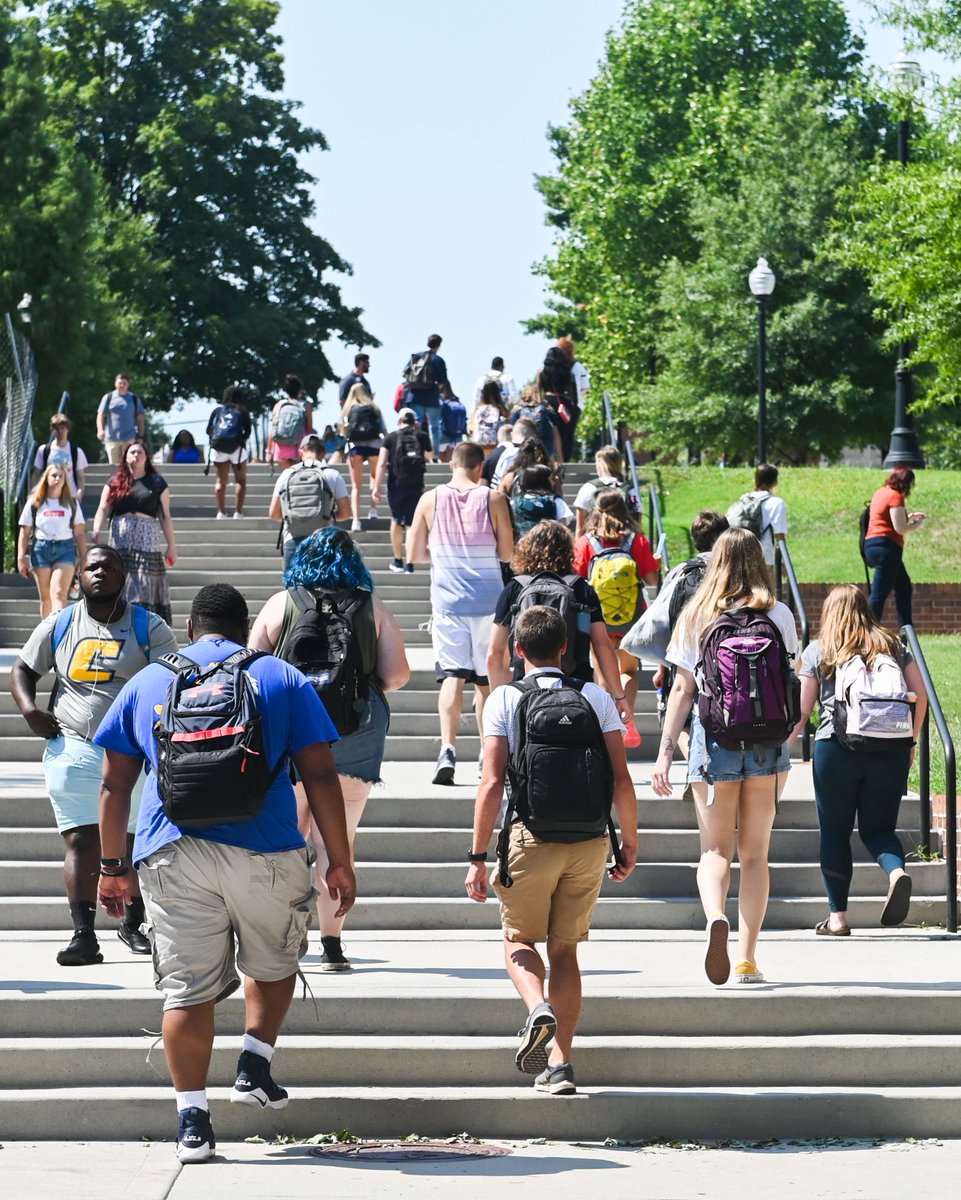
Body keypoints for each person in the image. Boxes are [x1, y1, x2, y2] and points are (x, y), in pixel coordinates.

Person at [95, 583, 355, 1164]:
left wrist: (113, 869)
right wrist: (339, 858)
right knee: (276, 960)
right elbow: (320, 774)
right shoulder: (281, 677)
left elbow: (115, 784)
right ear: (245, 630)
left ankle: (193, 1121)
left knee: (187, 990)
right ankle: (254, 1063)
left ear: (191, 628)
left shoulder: (149, 681)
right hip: (266, 850)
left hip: (173, 851)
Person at [466, 605, 637, 1096]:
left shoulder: (504, 699)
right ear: (565, 647)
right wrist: (629, 843)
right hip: (588, 841)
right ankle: (560, 1063)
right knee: (565, 950)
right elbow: (621, 779)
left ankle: (536, 1007)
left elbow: (492, 782)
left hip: (530, 837)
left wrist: (478, 857)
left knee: (518, 940)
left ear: (519, 650)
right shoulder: (595, 697)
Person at [249, 528, 410, 971]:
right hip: (355, 733)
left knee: (289, 839)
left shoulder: (282, 602)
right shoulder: (370, 605)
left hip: (292, 734)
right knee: (337, 841)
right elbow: (397, 675)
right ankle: (332, 943)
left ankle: (283, 936)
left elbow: (250, 669)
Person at [10, 545, 178, 966]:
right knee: (82, 839)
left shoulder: (150, 627)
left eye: (110, 567)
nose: (100, 573)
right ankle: (83, 934)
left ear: (124, 577)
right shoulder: (61, 622)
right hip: (73, 744)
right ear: (79, 575)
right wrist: (31, 711)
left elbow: (172, 682)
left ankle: (134, 924)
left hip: (132, 753)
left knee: (135, 840)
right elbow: (23, 671)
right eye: (92, 567)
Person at [651, 528, 800, 986]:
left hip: (713, 743)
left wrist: (663, 756)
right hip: (767, 747)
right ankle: (746, 957)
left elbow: (681, 689)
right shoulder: (778, 613)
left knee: (716, 850)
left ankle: (716, 915)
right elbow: (790, 678)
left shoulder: (697, 613)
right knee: (755, 855)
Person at [789, 584, 927, 935]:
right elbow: (920, 694)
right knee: (879, 829)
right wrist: (910, 740)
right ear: (866, 609)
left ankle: (838, 918)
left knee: (835, 832)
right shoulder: (894, 645)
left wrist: (784, 743)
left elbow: (802, 711)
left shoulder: (820, 650)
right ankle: (897, 873)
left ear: (830, 613)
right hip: (890, 749)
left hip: (835, 749)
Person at [407, 441, 515, 785]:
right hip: (490, 602)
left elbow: (414, 553)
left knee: (452, 675)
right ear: (480, 467)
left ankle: (447, 750)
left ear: (450, 464)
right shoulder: (494, 499)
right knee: (486, 682)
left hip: (448, 603)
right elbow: (508, 553)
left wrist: (443, 553)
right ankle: (489, 752)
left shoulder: (429, 500)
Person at [487, 520, 628, 714]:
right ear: (567, 551)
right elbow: (602, 645)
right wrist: (619, 696)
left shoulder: (515, 588)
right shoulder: (581, 589)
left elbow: (494, 654)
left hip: (525, 693)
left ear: (527, 550)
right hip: (577, 691)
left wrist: (498, 702)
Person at [622, 510, 729, 763]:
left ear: (695, 540)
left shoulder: (681, 571)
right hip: (725, 658)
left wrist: (662, 666)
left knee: (678, 716)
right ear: (725, 536)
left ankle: (698, 766)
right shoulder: (731, 570)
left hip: (685, 657)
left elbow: (664, 620)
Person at [574, 491, 660, 748]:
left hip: (596, 616)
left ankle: (604, 723)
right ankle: (627, 718)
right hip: (632, 617)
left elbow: (577, 580)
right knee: (629, 670)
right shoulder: (637, 540)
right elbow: (652, 580)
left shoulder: (585, 542)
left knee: (601, 668)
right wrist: (655, 563)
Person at [91, 439, 177, 624]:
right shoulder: (115, 481)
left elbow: (165, 516)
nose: (136, 456)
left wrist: (171, 546)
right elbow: (103, 508)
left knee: (144, 586)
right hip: (121, 542)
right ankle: (120, 624)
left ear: (146, 458)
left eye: (140, 453)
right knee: (122, 584)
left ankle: (146, 627)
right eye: (132, 452)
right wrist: (97, 528)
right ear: (125, 457)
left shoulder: (157, 482)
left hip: (147, 542)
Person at [269, 434, 350, 570]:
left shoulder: (287, 474)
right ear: (323, 453)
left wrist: (295, 517)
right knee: (324, 588)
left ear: (301, 452)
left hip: (292, 539)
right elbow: (346, 513)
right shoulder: (332, 475)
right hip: (324, 540)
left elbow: (274, 513)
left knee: (293, 589)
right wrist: (324, 515)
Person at [18, 464, 88, 618]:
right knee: (46, 598)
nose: (57, 479)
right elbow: (25, 531)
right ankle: (47, 635)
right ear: (46, 479)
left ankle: (60, 633)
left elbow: (80, 533)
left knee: (58, 593)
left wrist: (85, 558)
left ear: (65, 480)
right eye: (54, 475)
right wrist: (21, 557)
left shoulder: (71, 503)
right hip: (41, 549)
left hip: (65, 548)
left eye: (60, 476)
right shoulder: (35, 502)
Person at [371, 407, 433, 573]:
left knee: (397, 519)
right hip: (416, 483)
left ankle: (398, 561)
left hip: (396, 484)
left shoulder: (391, 437)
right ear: (415, 421)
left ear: (400, 420)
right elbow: (430, 455)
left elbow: (382, 463)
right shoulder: (421, 435)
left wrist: (376, 487)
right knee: (412, 522)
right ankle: (410, 563)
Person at [864, 466, 925, 629]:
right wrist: (916, 525)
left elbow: (885, 519)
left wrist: (909, 517)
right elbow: (900, 528)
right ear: (906, 483)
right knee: (879, 593)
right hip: (887, 548)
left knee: (904, 586)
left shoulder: (881, 492)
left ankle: (906, 629)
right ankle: (867, 631)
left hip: (871, 545)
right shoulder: (895, 496)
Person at [727, 464, 788, 591]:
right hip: (764, 557)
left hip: (740, 554)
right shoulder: (776, 503)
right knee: (767, 597)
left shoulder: (744, 499)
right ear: (775, 482)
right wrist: (784, 564)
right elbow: (779, 537)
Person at [340, 383, 388, 530]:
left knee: (356, 486)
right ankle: (373, 510)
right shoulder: (374, 408)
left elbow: (343, 431)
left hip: (355, 447)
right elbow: (383, 429)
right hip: (374, 445)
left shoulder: (348, 409)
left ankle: (356, 520)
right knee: (374, 477)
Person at [206, 384, 253, 519]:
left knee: (220, 481)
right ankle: (238, 512)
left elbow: (209, 430)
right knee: (240, 481)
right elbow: (248, 431)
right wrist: (240, 440)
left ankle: (221, 512)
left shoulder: (217, 411)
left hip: (218, 448)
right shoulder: (242, 411)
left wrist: (214, 442)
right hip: (237, 449)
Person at [572, 446, 639, 538]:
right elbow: (637, 522)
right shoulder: (630, 490)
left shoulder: (589, 488)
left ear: (601, 464)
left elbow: (579, 528)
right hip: (624, 543)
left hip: (595, 543)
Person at [402, 334, 449, 452]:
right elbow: (442, 382)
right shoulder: (438, 360)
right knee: (434, 427)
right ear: (439, 345)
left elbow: (405, 374)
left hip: (414, 396)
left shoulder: (417, 357)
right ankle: (434, 454)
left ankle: (417, 450)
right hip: (431, 397)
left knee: (416, 425)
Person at [34, 413, 88, 500]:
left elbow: (80, 477)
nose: (60, 431)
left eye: (62, 428)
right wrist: (35, 494)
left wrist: (79, 494)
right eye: (57, 429)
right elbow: (36, 475)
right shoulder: (44, 450)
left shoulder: (76, 452)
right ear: (52, 431)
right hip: (48, 497)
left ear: (68, 429)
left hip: (70, 496)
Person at [509, 465, 573, 537]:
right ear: (543, 481)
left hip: (521, 545)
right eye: (551, 479)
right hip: (549, 545)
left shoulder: (514, 502)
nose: (554, 483)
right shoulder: (555, 501)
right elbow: (563, 530)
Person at [538, 346, 577, 462]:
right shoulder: (567, 373)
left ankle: (548, 458)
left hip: (548, 402)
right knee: (567, 434)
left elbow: (538, 390)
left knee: (548, 432)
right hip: (563, 403)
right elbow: (571, 393)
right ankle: (564, 460)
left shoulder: (541, 372)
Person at [267, 374, 313, 470]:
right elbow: (309, 429)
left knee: (286, 477)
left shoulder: (279, 405)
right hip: (298, 447)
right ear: (300, 390)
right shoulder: (305, 405)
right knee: (296, 479)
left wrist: (269, 451)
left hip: (280, 447)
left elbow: (273, 429)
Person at [96, 374, 145, 464]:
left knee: (128, 464)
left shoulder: (134, 399)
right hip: (112, 438)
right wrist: (100, 430)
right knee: (114, 465)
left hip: (129, 437)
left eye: (124, 383)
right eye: (120, 383)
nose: (122, 385)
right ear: (115, 384)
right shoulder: (108, 397)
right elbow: (101, 414)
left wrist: (141, 436)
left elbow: (140, 417)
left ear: (128, 384)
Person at [507, 387, 562, 463]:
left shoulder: (518, 409)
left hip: (525, 445)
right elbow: (555, 432)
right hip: (546, 446)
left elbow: (511, 429)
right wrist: (559, 455)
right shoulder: (547, 409)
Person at [469, 379, 509, 455]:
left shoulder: (477, 410)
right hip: (497, 450)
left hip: (480, 450)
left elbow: (471, 430)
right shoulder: (502, 411)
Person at [557, 336, 590, 413]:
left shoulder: (554, 368)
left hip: (559, 407)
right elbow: (586, 388)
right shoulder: (579, 366)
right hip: (576, 405)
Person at [437, 381, 467, 462]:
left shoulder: (443, 403)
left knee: (442, 459)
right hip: (458, 436)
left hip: (445, 435)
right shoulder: (458, 402)